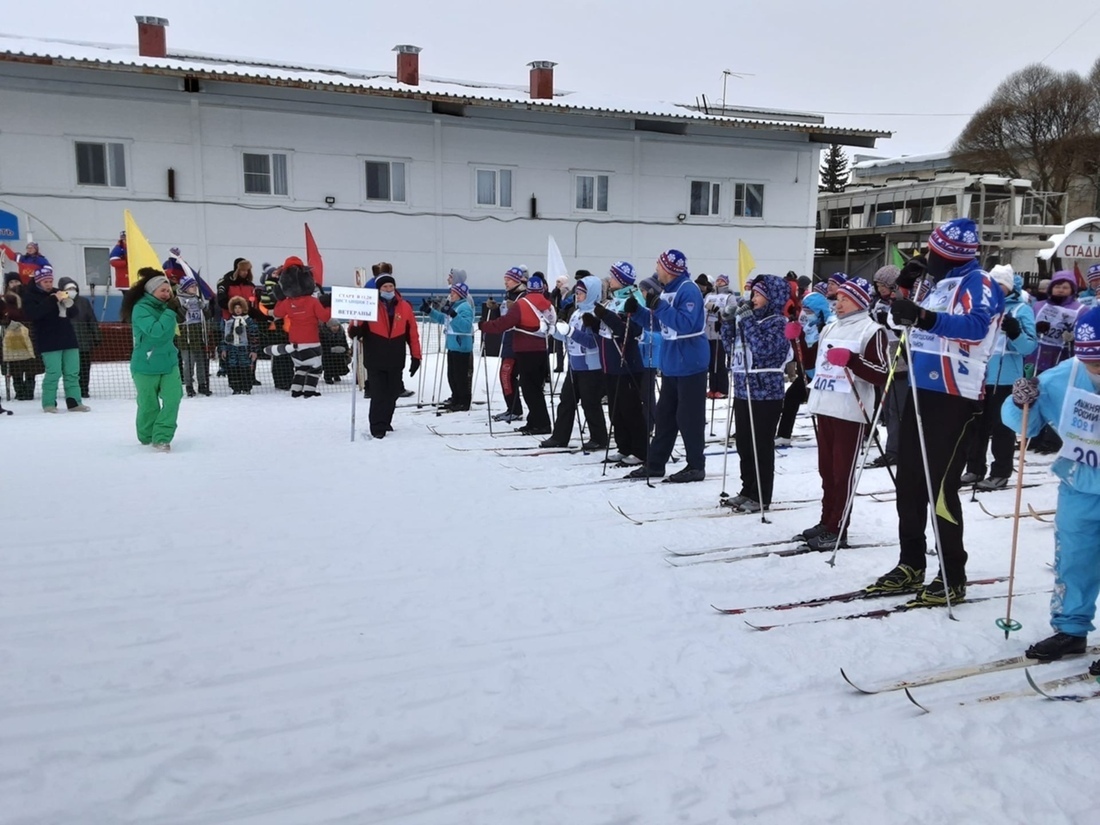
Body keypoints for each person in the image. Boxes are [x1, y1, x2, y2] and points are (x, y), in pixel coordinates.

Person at [865, 218, 1004, 605]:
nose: (929, 259)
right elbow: (893, 318)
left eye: (935, 254)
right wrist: (905, 291)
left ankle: (952, 573)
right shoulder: (936, 283)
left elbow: (975, 327)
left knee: (941, 486)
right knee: (909, 482)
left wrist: (925, 316)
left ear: (953, 257)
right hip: (921, 389)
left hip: (955, 394)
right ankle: (911, 562)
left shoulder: (980, 283)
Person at [1004, 306, 1100, 673]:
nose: (1098, 369)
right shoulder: (1062, 376)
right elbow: (1023, 425)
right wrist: (1019, 401)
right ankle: (1071, 629)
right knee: (1074, 561)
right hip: (1080, 483)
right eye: (1094, 361)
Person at [798, 276, 889, 548]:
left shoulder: (871, 330)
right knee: (826, 470)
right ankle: (827, 520)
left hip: (851, 409)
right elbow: (818, 363)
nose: (837, 304)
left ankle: (839, 527)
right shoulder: (831, 327)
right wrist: (803, 340)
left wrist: (852, 360)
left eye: (843, 300)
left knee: (842, 473)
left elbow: (882, 374)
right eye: (837, 300)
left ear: (859, 302)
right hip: (825, 403)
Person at [622, 249, 708, 482]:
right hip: (672, 364)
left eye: (659, 265)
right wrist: (637, 312)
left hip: (690, 364)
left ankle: (695, 465)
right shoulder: (668, 290)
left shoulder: (687, 289)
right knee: (665, 417)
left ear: (669, 269)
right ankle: (656, 463)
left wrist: (658, 306)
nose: (656, 268)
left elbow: (685, 324)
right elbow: (660, 324)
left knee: (689, 418)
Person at [720, 274, 795, 510]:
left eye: (759, 294)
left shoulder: (778, 323)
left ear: (772, 297)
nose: (753, 298)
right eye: (753, 294)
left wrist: (748, 321)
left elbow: (763, 349)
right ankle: (747, 489)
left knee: (760, 446)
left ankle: (761, 495)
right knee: (743, 443)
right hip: (744, 390)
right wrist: (727, 322)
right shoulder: (749, 320)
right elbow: (729, 346)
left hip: (766, 393)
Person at [962, 265, 1037, 489]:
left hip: (1005, 378)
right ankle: (974, 469)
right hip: (979, 375)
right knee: (976, 427)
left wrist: (1015, 332)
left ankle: (1001, 471)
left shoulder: (1021, 309)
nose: (995, 289)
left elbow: (1029, 347)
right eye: (992, 284)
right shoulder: (981, 306)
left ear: (1009, 287)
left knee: (1002, 428)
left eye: (1000, 285)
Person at [120, 268, 186, 451]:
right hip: (145, 365)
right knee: (148, 404)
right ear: (151, 291)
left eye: (168, 291)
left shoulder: (168, 307)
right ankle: (147, 435)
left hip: (169, 363)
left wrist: (179, 311)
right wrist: (170, 312)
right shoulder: (140, 309)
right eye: (162, 291)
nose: (167, 294)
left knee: (173, 399)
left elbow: (179, 321)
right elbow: (155, 332)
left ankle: (162, 437)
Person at [481, 269, 553, 435]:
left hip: (523, 348)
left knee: (525, 386)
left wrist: (484, 326)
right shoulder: (544, 302)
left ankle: (538, 422)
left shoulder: (523, 302)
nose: (505, 282)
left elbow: (506, 322)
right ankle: (534, 420)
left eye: (509, 279)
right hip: (537, 348)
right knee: (532, 387)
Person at [349, 271, 421, 437]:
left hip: (396, 357)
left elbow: (413, 334)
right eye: (385, 286)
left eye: (391, 286)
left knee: (393, 392)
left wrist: (416, 356)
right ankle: (377, 426)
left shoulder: (405, 307)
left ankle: (386, 420)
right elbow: (355, 329)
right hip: (375, 357)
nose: (388, 289)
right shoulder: (368, 305)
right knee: (379, 393)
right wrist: (355, 330)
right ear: (378, 289)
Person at [590, 261, 647, 465]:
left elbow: (631, 331)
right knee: (616, 410)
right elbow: (608, 331)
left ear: (622, 280)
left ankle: (640, 450)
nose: (609, 279)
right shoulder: (613, 299)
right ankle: (624, 447)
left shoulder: (633, 299)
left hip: (627, 364)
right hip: (610, 364)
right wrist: (595, 323)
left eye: (613, 276)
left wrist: (605, 316)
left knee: (630, 409)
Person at [542, 274, 608, 449]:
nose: (577, 295)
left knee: (590, 404)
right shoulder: (577, 313)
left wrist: (570, 331)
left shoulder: (595, 314)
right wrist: (553, 330)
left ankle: (599, 438)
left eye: (581, 293)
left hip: (590, 367)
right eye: (577, 292)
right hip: (574, 365)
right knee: (566, 401)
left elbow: (592, 342)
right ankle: (559, 437)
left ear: (592, 293)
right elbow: (566, 337)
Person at [22, 266, 89, 414]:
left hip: (68, 338)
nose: (48, 284)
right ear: (38, 282)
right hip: (48, 340)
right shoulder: (30, 296)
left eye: (50, 281)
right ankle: (49, 403)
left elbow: (73, 313)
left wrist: (68, 302)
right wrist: (52, 300)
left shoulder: (57, 293)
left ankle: (74, 402)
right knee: (54, 373)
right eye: (45, 281)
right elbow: (35, 314)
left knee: (72, 373)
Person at [270, 260, 335, 398]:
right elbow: (324, 317)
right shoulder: (312, 301)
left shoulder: (288, 302)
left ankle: (296, 389)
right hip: (311, 339)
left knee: (300, 367)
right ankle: (309, 390)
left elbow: (277, 314)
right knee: (315, 367)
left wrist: (280, 299)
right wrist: (329, 305)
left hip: (294, 339)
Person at [776, 291, 831, 447]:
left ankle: (867, 432)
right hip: (808, 374)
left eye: (809, 311)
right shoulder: (804, 329)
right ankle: (784, 434)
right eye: (803, 310)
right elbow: (800, 356)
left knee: (825, 408)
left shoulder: (828, 329)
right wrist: (795, 336)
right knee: (791, 397)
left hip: (825, 377)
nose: (805, 314)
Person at [867, 265, 907, 469]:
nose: (880, 289)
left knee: (896, 408)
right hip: (884, 355)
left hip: (899, 357)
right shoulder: (876, 302)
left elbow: (906, 328)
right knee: (887, 407)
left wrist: (890, 323)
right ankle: (892, 447)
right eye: (878, 285)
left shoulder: (901, 301)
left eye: (884, 285)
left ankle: (896, 450)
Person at [428, 281, 475, 411]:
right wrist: (430, 311)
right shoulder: (453, 305)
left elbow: (465, 326)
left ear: (460, 295)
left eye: (454, 293)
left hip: (461, 346)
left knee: (460, 376)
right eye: (451, 292)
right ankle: (456, 398)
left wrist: (453, 314)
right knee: (452, 375)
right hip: (453, 345)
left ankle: (463, 401)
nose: (451, 295)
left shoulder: (465, 307)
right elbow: (443, 319)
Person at [57, 277, 101, 399]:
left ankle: (84, 390)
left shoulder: (84, 302)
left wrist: (96, 336)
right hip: (67, 343)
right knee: (70, 369)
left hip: (84, 342)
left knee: (85, 368)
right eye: (68, 289)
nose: (72, 291)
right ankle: (71, 390)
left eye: (73, 288)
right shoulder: (58, 303)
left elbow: (92, 320)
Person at [176, 273, 213, 397]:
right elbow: (176, 318)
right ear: (185, 287)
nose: (195, 288)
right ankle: (189, 386)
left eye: (195, 286)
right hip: (185, 334)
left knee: (201, 361)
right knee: (189, 362)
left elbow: (208, 316)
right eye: (192, 286)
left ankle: (202, 384)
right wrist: (184, 309)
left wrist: (205, 308)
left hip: (198, 333)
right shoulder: (178, 300)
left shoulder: (197, 299)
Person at [2, 281, 38, 400]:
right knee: (15, 366)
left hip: (29, 335)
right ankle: (19, 392)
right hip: (11, 337)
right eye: (11, 282)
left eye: (16, 281)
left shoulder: (28, 297)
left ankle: (29, 391)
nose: (14, 284)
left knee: (30, 367)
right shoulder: (5, 300)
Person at [222, 296, 260, 394]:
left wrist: (254, 350)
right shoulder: (229, 321)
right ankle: (236, 388)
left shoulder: (249, 321)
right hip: (232, 348)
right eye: (235, 308)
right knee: (233, 367)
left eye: (239, 308)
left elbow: (254, 336)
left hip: (245, 348)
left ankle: (247, 387)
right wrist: (224, 349)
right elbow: (225, 336)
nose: (238, 310)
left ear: (243, 308)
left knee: (245, 367)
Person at [704, 274, 732, 398]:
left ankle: (723, 388)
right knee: (710, 362)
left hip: (720, 332)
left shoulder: (729, 296)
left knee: (719, 362)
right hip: (708, 332)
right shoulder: (709, 296)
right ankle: (713, 387)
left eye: (722, 281)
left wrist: (716, 310)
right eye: (718, 280)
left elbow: (731, 312)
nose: (719, 282)